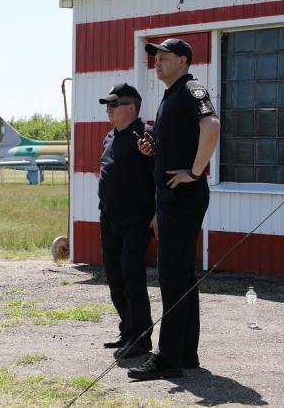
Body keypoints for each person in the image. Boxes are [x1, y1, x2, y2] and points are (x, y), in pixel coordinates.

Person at [128, 38, 220, 380]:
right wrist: (153, 147)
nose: (157, 62)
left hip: (183, 197)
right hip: (172, 198)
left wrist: (194, 172)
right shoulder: (171, 95)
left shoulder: (191, 90)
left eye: (164, 57)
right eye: (155, 57)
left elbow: (212, 126)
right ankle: (185, 353)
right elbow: (181, 141)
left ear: (182, 61)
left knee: (171, 276)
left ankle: (168, 359)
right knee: (182, 275)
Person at [98, 83, 155, 358]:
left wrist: (157, 214)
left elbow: (159, 176)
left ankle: (141, 339)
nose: (108, 109)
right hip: (109, 218)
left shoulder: (146, 137)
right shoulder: (110, 137)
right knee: (115, 278)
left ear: (131, 108)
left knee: (133, 278)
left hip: (135, 221)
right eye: (107, 105)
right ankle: (127, 331)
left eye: (113, 104)